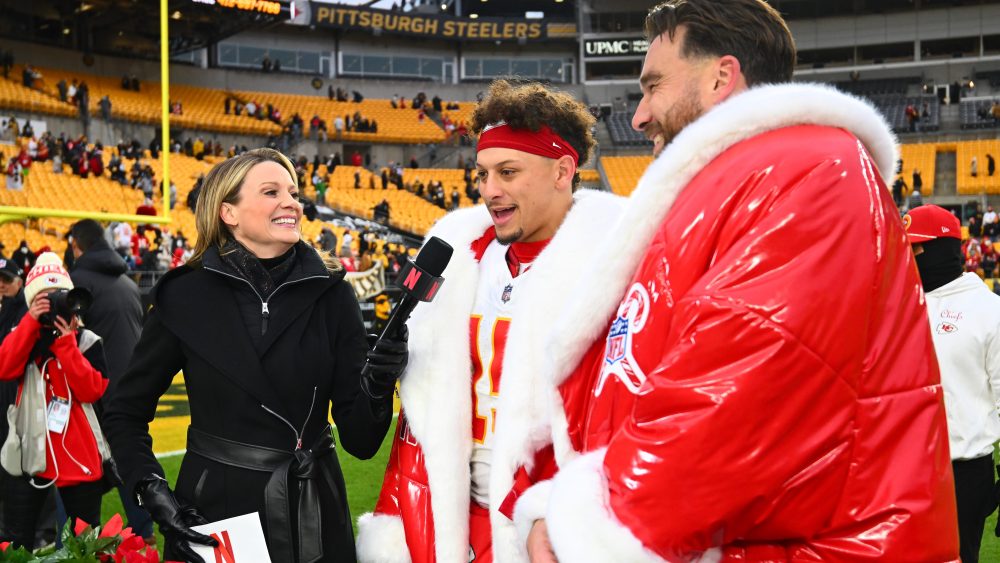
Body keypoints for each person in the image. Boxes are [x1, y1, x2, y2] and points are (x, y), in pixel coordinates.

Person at [519, 1, 957, 561]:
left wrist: (590, 525)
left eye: (653, 87)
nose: (638, 115)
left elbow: (734, 385)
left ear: (721, 77)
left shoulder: (811, 170)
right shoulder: (734, 185)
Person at [356, 79, 624, 563]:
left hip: (552, 522)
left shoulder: (614, 267)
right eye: (482, 174)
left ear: (563, 170)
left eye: (508, 171)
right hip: (449, 517)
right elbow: (423, 420)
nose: (489, 191)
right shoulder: (459, 258)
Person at [102, 149, 408, 563]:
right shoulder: (183, 295)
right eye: (271, 191)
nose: (292, 202)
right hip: (217, 514)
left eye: (294, 192)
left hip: (315, 509)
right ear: (229, 212)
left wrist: (379, 379)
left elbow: (361, 440)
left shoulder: (333, 293)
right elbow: (125, 412)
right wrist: (151, 488)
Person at [905, 205, 1000, 563]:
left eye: (914, 250)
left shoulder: (989, 310)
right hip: (903, 467)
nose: (907, 259)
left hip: (962, 473)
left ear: (942, 249)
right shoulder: (900, 305)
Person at [0, 253, 109, 550]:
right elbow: (5, 368)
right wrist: (30, 321)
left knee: (84, 546)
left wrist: (67, 344)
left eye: (59, 295)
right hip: (29, 453)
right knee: (15, 542)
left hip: (78, 455)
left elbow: (92, 391)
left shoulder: (87, 340)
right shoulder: (23, 337)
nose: (55, 304)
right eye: (44, 298)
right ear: (32, 300)